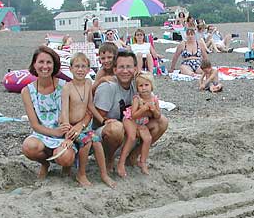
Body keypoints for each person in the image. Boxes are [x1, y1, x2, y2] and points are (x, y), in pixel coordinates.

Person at [93, 50, 168, 174]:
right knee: (116, 128)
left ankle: (132, 156)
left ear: (135, 69)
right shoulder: (108, 86)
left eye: (129, 67)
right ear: (115, 69)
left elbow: (152, 106)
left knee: (162, 122)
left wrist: (138, 122)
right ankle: (109, 158)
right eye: (121, 67)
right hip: (105, 134)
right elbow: (96, 119)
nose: (125, 71)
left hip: (132, 125)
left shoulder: (138, 84)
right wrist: (109, 122)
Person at [59, 53, 116, 188]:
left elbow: (90, 105)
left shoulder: (88, 83)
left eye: (83, 66)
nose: (80, 69)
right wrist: (67, 133)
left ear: (89, 69)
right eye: (77, 66)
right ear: (71, 69)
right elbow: (64, 112)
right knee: (87, 141)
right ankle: (81, 174)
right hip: (71, 127)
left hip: (84, 127)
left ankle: (104, 174)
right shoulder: (67, 87)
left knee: (96, 141)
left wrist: (102, 120)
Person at [21, 46, 76, 179]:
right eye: (41, 62)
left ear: (54, 65)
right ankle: (44, 163)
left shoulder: (65, 86)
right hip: (43, 134)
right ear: (34, 64)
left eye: (49, 62)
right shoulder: (27, 91)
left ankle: (66, 165)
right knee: (29, 147)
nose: (45, 66)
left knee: (66, 158)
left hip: (65, 134)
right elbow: (35, 125)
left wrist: (66, 134)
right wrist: (55, 132)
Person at [117, 72, 162, 177]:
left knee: (148, 139)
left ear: (152, 86)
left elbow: (158, 116)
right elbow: (133, 115)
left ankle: (142, 161)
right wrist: (144, 109)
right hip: (130, 120)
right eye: (141, 86)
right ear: (137, 88)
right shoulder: (137, 98)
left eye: (146, 85)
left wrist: (154, 110)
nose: (144, 88)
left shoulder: (154, 99)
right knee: (131, 137)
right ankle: (121, 162)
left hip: (142, 122)